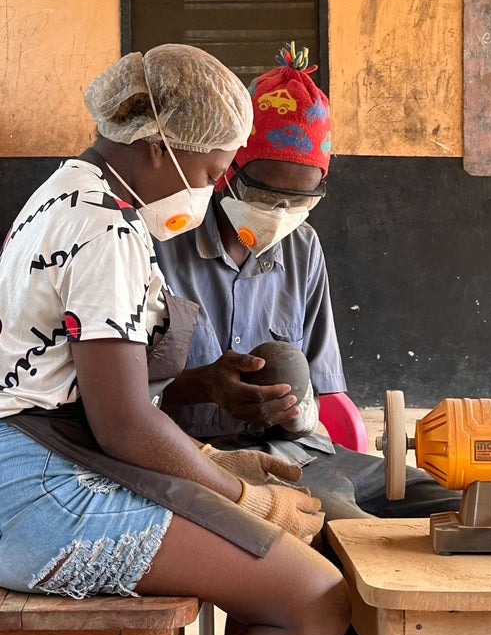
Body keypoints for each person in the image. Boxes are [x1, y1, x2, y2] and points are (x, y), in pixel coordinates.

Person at [0, 44, 349, 635]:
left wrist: (210, 446)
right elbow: (125, 426)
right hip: (36, 496)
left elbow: (103, 392)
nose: (214, 188)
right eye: (215, 169)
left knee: (277, 573)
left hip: (27, 465)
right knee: (316, 598)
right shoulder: (107, 229)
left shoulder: (69, 189)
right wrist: (244, 497)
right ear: (162, 147)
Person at [156, 44, 460, 522]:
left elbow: (324, 388)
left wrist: (300, 413)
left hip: (307, 452)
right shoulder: (161, 246)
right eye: (265, 193)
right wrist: (206, 388)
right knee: (352, 530)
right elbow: (123, 399)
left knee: (460, 504)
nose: (281, 213)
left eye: (301, 200)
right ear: (226, 174)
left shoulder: (303, 248)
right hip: (212, 462)